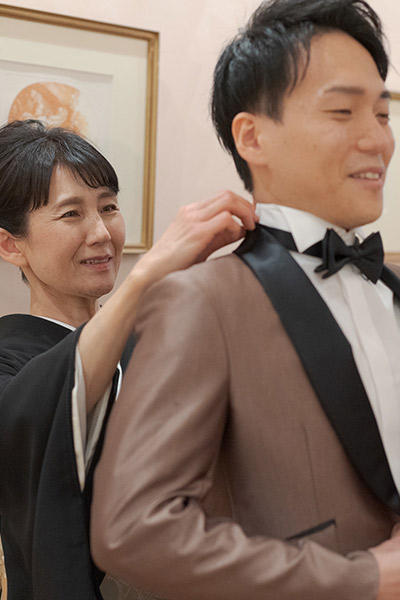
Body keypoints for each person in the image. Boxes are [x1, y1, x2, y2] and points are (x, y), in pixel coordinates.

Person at [91, 0, 400, 598]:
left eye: (383, 114)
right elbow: (134, 530)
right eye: (343, 111)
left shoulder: (389, 286)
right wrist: (360, 580)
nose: (377, 139)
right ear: (252, 136)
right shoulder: (202, 301)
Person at [0, 119, 257, 600]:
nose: (101, 233)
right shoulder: (10, 361)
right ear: (11, 245)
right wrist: (149, 276)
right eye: (71, 214)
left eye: (109, 207)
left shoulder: (153, 340)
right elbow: (31, 421)